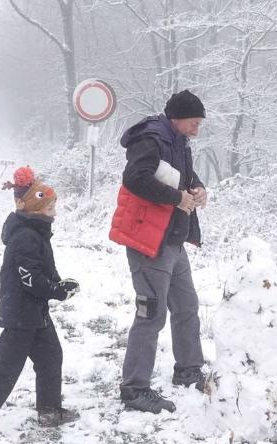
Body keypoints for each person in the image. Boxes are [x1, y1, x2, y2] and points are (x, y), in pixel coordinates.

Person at [109, 90, 209, 414]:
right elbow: (135, 179)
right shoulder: (150, 139)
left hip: (172, 239)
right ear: (178, 118)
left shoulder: (178, 141)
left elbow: (184, 175)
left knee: (187, 305)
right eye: (194, 123)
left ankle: (189, 371)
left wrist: (197, 188)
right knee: (151, 314)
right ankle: (135, 388)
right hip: (147, 241)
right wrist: (177, 198)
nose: (196, 130)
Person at [0, 166, 81, 430]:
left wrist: (60, 283)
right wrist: (55, 291)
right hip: (20, 314)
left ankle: (49, 411)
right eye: (50, 209)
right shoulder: (24, 237)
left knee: (51, 357)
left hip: (35, 312)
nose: (54, 213)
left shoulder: (36, 232)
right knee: (7, 367)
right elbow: (28, 278)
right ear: (33, 209)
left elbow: (42, 269)